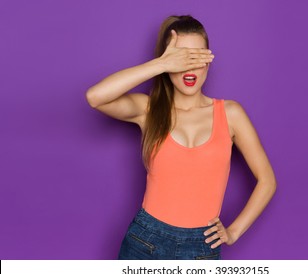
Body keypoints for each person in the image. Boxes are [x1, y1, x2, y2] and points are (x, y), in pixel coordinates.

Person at [86, 15, 277, 260]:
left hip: (200, 248)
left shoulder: (231, 114)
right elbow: (95, 97)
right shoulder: (149, 110)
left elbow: (267, 180)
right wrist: (160, 64)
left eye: (196, 58)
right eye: (181, 58)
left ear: (208, 61)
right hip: (145, 240)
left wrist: (234, 232)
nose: (189, 67)